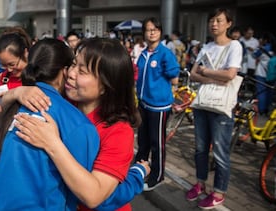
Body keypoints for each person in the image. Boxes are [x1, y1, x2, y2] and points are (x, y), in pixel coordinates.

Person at [13, 37, 150, 211]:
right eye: (73, 64)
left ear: (106, 85)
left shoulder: (118, 131)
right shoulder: (64, 103)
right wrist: (19, 92)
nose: (70, 73)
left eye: (82, 71)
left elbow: (94, 197)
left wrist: (52, 144)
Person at [0, 38, 101, 211]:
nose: (74, 74)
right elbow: (83, 193)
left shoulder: (15, 105)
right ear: (65, 71)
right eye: (75, 67)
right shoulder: (77, 124)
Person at [187, 8, 243, 209]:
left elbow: (230, 75)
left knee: (220, 151)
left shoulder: (235, 46)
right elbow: (193, 74)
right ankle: (200, 183)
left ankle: (219, 192)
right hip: (203, 103)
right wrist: (213, 77)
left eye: (219, 20)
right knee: (200, 149)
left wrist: (207, 72)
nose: (214, 24)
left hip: (221, 107)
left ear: (228, 24)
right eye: (212, 20)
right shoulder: (207, 46)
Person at [134, 17, 180, 191]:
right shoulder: (144, 53)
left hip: (159, 107)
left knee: (157, 142)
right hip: (144, 104)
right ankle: (139, 168)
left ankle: (158, 175)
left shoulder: (165, 53)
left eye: (155, 29)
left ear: (160, 32)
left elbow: (174, 78)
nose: (151, 32)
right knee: (143, 140)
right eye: (148, 29)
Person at [0, 28, 32, 116]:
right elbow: (0, 113)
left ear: (25, 53)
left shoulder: (39, 76)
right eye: (4, 65)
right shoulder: (5, 77)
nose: (9, 69)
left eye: (12, 64)